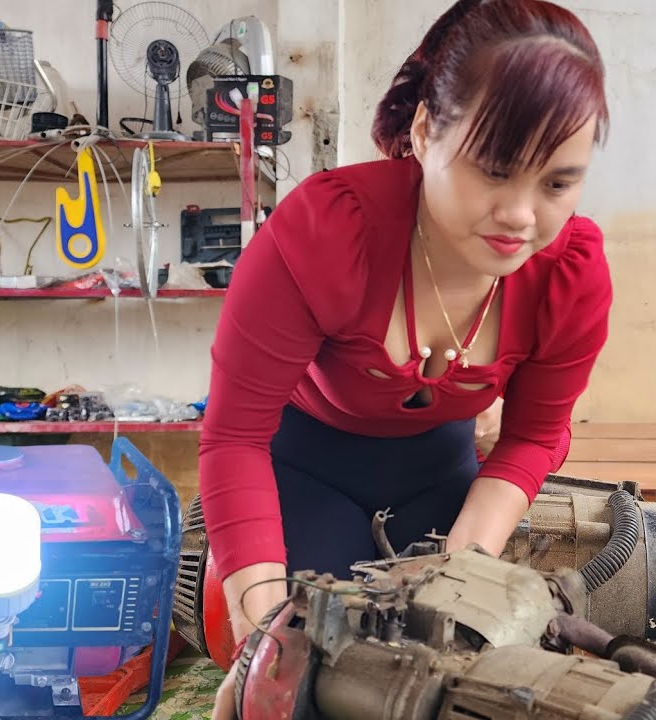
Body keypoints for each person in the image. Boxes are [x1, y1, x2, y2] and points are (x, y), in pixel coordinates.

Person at [200, 2, 612, 713]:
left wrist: (461, 575)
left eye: (556, 183)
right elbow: (234, 436)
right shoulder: (326, 233)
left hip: (440, 479)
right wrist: (259, 629)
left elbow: (535, 437)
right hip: (301, 468)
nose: (521, 215)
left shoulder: (571, 274)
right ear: (425, 131)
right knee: (309, 681)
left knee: (449, 677)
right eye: (494, 169)